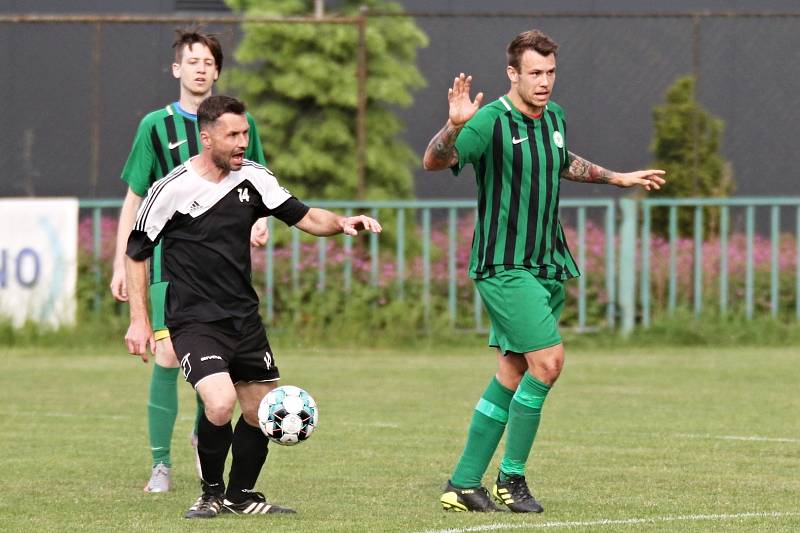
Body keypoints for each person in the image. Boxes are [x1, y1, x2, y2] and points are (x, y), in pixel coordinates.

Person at [422, 29, 665, 513]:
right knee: (549, 363)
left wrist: (615, 177)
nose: (544, 81)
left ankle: (463, 482)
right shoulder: (489, 120)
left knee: (513, 373)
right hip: (504, 266)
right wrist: (452, 127)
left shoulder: (554, 117)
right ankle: (511, 480)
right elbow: (433, 161)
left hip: (546, 263)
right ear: (513, 73)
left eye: (551, 72)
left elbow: (560, 160)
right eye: (535, 72)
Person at [125, 95, 382, 518]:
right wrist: (140, 320)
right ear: (206, 138)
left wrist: (340, 222)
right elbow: (135, 254)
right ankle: (209, 493)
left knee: (259, 411)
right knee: (220, 402)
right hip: (193, 318)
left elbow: (304, 215)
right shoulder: (171, 189)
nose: (243, 142)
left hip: (243, 319)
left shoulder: (255, 178)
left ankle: (240, 496)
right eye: (233, 135)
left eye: (245, 133)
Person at [110, 28, 270, 493]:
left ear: (218, 71)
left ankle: (207, 442)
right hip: (162, 263)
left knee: (215, 361)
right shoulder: (154, 126)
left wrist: (261, 221)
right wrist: (122, 262)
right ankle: (161, 464)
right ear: (177, 68)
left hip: (221, 266)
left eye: (209, 62)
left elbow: (257, 182)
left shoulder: (240, 123)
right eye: (192, 60)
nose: (201, 68)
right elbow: (135, 197)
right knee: (165, 353)